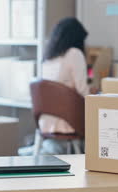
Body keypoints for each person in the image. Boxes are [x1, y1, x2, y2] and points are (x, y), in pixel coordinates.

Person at [39, 17, 90, 154]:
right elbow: (84, 92)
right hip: (68, 122)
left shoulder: (47, 57)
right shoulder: (75, 54)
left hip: (45, 123)